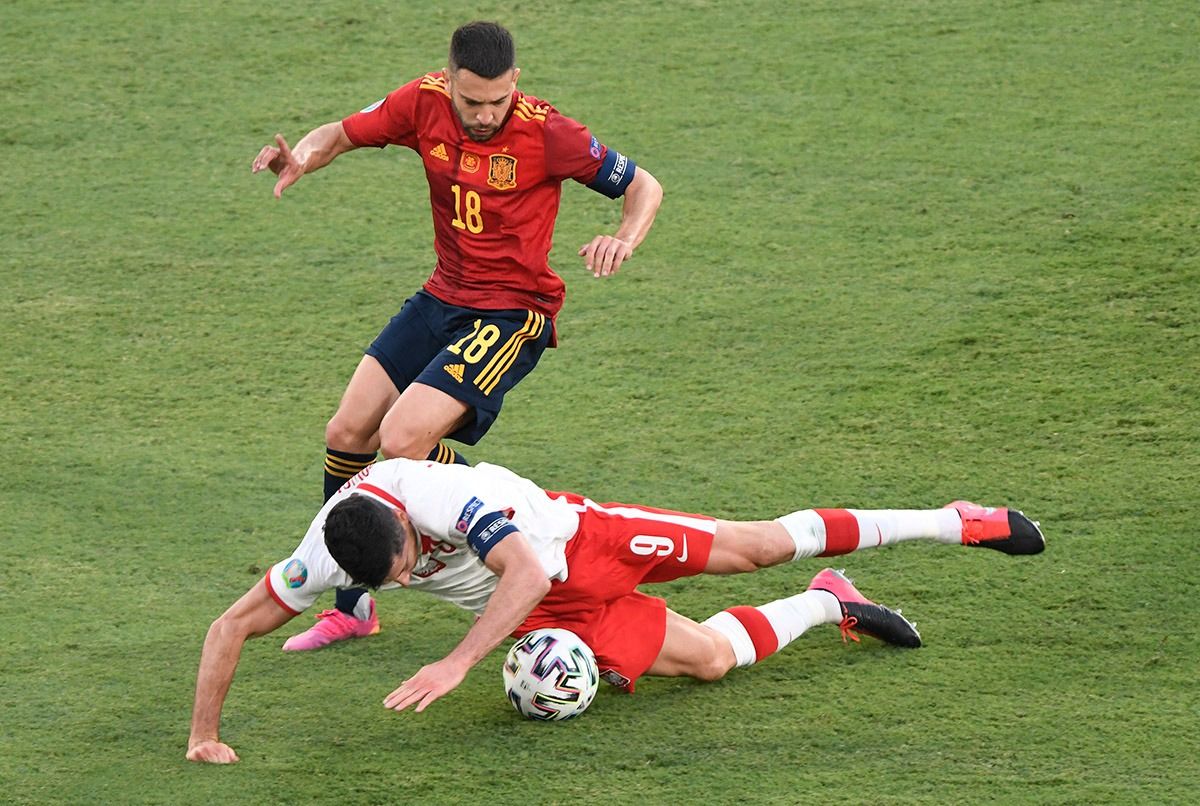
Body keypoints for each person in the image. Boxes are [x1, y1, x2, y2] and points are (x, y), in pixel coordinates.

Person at [186, 457, 1045, 764]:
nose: (409, 582)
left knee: (755, 546)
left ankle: (950, 522)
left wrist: (455, 662)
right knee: (710, 661)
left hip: (579, 543)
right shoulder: (326, 549)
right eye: (390, 585)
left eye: (411, 566)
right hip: (543, 608)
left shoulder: (440, 497)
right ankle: (828, 607)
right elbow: (233, 625)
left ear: (411, 526)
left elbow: (521, 573)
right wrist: (203, 733)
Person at [250, 21, 663, 650]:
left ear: (515, 84)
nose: (484, 114)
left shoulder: (550, 133)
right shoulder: (421, 102)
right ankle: (354, 604)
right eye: (471, 102)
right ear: (448, 83)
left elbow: (642, 186)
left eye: (497, 101)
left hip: (513, 314)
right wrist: (303, 157)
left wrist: (623, 238)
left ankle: (515, 534)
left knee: (403, 439)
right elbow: (338, 134)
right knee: (347, 433)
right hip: (442, 296)